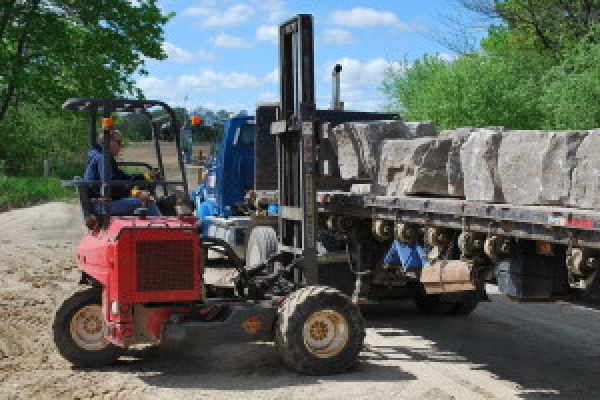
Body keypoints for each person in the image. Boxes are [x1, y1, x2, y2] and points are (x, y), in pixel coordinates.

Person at [83, 129, 161, 216]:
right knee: (148, 202)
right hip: (103, 205)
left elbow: (122, 177)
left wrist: (145, 176)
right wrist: (135, 193)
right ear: (109, 142)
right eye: (119, 142)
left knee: (144, 198)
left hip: (103, 201)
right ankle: (160, 225)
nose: (121, 146)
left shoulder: (102, 156)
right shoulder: (103, 159)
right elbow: (112, 187)